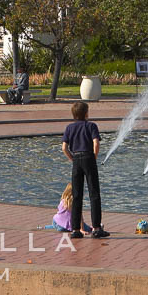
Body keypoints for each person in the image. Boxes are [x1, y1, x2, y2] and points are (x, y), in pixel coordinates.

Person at [60, 102, 110, 239]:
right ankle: (97, 228)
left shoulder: (70, 127)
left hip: (76, 159)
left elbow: (64, 147)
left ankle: (75, 230)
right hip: (88, 157)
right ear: (86, 113)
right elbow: (96, 142)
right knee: (94, 193)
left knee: (77, 195)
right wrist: (94, 156)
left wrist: (72, 158)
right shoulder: (91, 126)